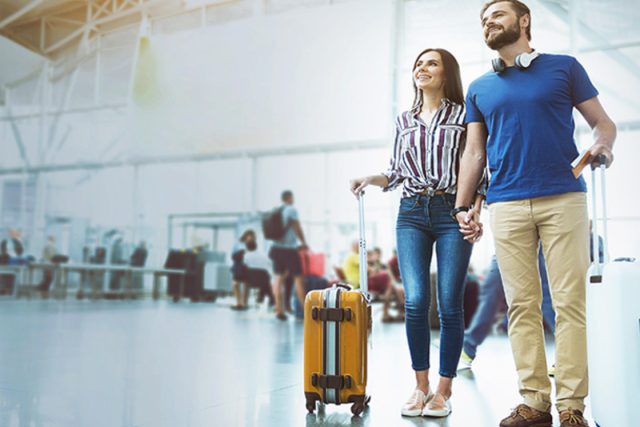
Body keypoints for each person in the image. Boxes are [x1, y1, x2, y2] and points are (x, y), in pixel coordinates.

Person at [454, 2, 616, 426]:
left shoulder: (565, 68)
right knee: (521, 307)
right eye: (484, 19)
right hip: (506, 203)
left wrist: (601, 145)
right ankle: (535, 402)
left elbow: (603, 123)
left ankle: (571, 406)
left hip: (563, 197)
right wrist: (461, 205)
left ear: (524, 21)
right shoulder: (479, 87)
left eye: (497, 14)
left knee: (569, 305)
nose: (489, 21)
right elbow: (474, 152)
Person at [350, 48, 485, 418]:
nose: (422, 68)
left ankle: (443, 390)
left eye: (432, 63)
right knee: (414, 301)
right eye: (418, 64)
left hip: (449, 211)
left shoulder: (464, 115)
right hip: (411, 212)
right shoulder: (403, 120)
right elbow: (396, 172)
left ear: (447, 74)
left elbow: (476, 165)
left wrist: (474, 207)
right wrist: (371, 179)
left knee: (448, 301)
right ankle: (420, 386)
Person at [458, 249, 555, 370]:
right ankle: (468, 346)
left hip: (531, 238)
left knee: (545, 296)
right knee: (491, 289)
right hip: (508, 237)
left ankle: (569, 355)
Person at [269, 190, 308, 321]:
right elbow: (298, 228)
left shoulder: (276, 210)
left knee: (278, 280)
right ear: (290, 198)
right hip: (289, 250)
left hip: (275, 249)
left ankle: (279, 310)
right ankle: (306, 311)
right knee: (299, 279)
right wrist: (304, 242)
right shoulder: (291, 210)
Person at [342, 241, 395, 322]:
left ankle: (388, 311)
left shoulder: (349, 257)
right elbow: (369, 270)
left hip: (356, 282)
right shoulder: (355, 257)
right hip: (359, 283)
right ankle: (387, 312)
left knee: (390, 284)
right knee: (388, 280)